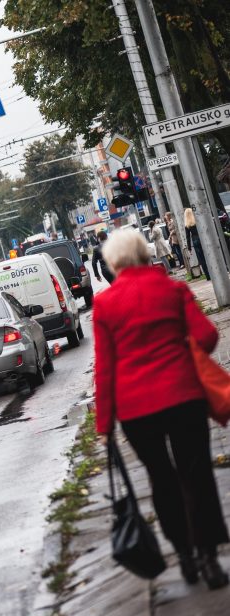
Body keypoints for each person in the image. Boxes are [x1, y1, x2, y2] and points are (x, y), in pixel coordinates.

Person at [93, 229, 228, 589]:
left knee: (162, 479)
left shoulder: (105, 305)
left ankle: (184, 554)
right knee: (196, 473)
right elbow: (207, 337)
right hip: (184, 397)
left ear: (114, 263)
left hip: (137, 410)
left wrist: (104, 423)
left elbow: (104, 368)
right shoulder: (174, 290)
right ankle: (210, 558)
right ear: (144, 254)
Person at [184, 207, 211, 281]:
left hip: (195, 240)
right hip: (202, 238)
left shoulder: (187, 224)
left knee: (201, 259)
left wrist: (189, 248)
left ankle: (208, 276)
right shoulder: (197, 220)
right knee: (209, 255)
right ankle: (213, 271)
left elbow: (188, 237)